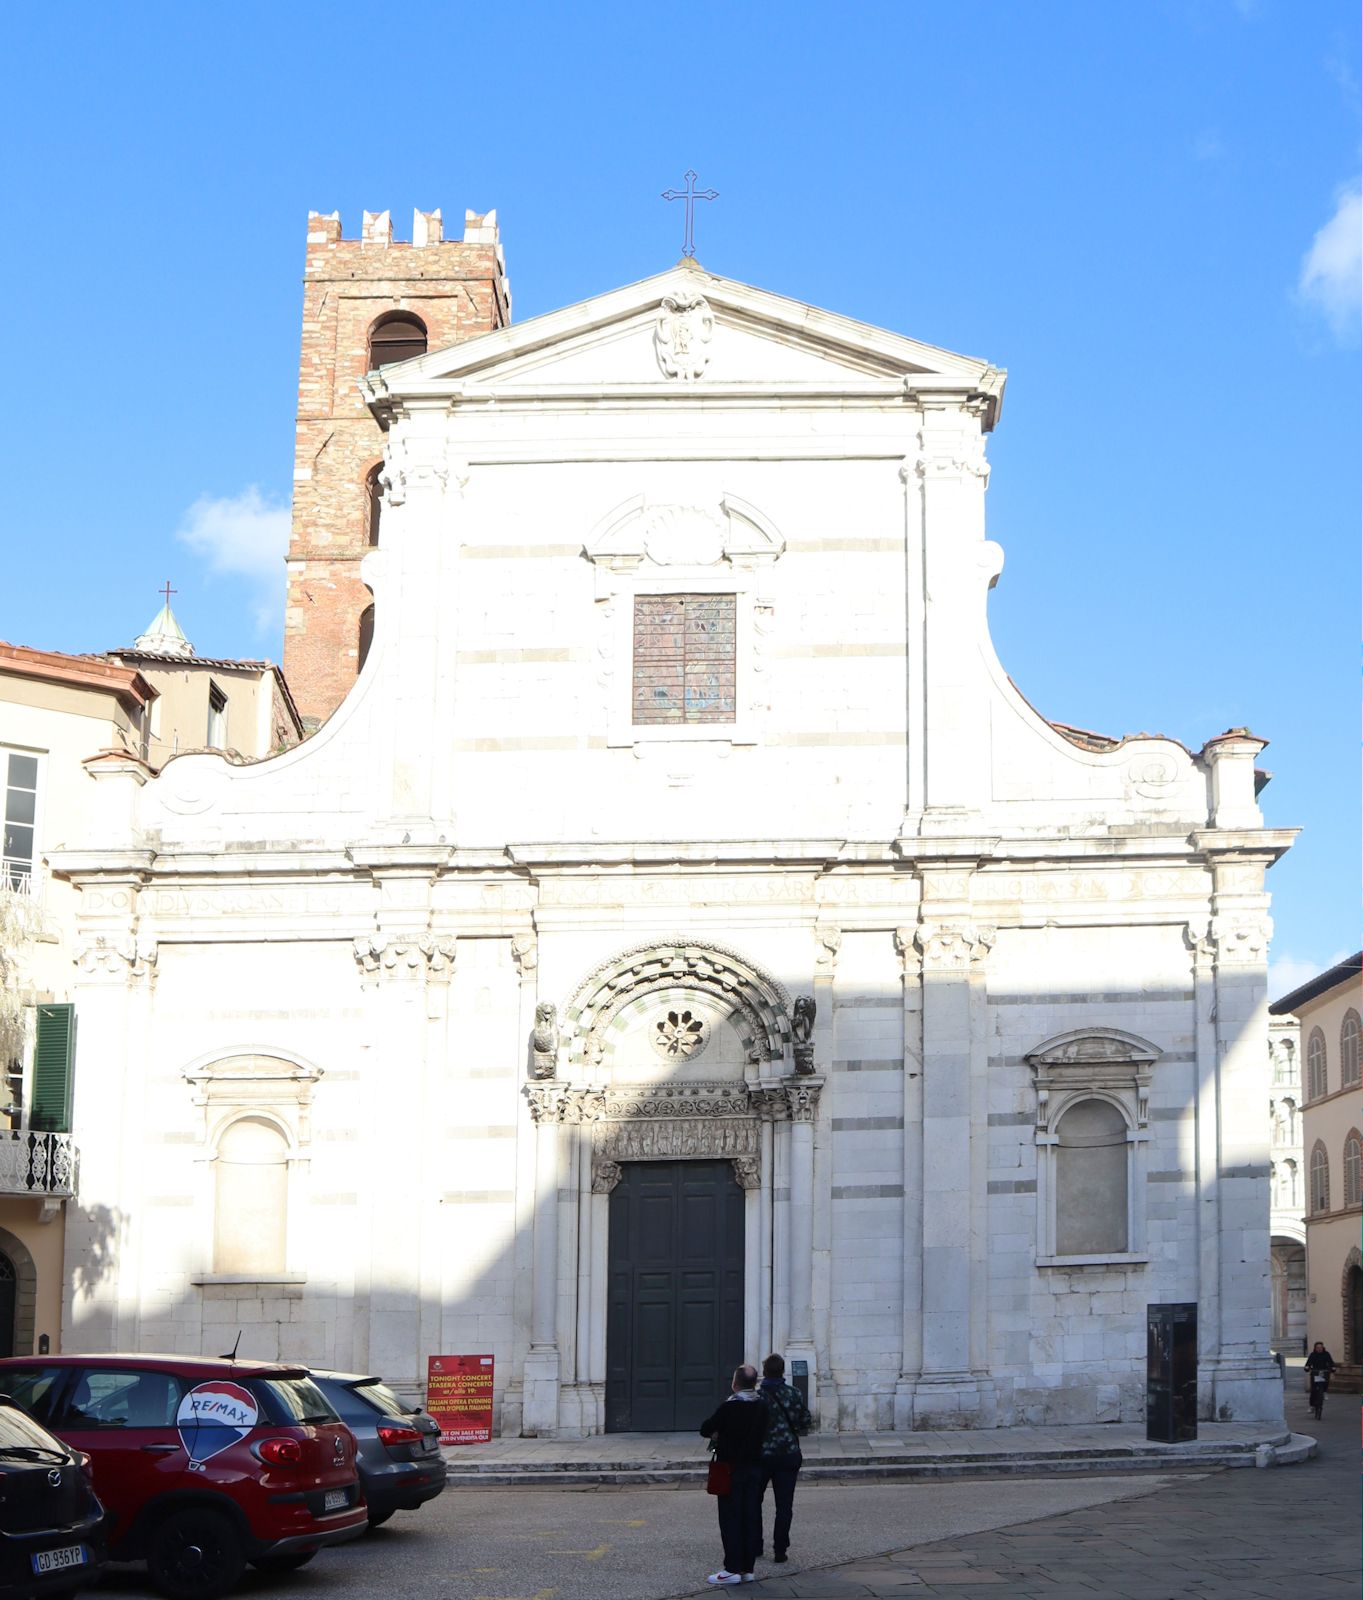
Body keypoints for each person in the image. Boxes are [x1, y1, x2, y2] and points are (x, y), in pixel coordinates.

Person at [699, 1364, 769, 1585]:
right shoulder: (763, 1406)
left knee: (730, 1519)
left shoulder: (729, 1408)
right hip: (755, 1468)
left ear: (735, 1383)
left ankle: (731, 1569)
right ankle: (747, 1568)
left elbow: (705, 1428)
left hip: (732, 1469)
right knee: (749, 1517)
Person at [756, 1352, 812, 1564]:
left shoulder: (757, 1398)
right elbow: (805, 1420)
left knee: (754, 1502)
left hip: (762, 1456)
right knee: (784, 1505)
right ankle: (780, 1550)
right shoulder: (794, 1393)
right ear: (782, 1371)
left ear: (764, 1372)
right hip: (788, 1454)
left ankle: (756, 1545)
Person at [1305, 1341, 1336, 1419]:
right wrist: (1307, 1367)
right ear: (1315, 1348)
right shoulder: (1312, 1355)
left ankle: (1325, 1392)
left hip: (1324, 1373)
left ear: (1323, 1348)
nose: (1319, 1349)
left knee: (1325, 1382)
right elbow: (1308, 1364)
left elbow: (1331, 1363)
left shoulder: (1326, 1354)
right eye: (1318, 1348)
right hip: (1315, 1373)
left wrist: (1333, 1368)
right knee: (1313, 1390)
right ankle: (1312, 1406)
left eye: (1321, 1347)